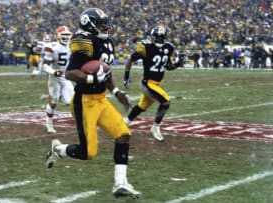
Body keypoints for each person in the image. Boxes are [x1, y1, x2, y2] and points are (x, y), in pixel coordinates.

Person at [45, 8, 141, 198]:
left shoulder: (107, 42)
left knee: (123, 134)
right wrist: (91, 80)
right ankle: (58, 149)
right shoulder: (84, 41)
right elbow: (71, 72)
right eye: (100, 23)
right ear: (89, 24)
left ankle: (120, 184)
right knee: (88, 152)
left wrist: (116, 91)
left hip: (101, 99)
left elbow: (105, 72)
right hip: (84, 102)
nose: (105, 26)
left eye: (105, 22)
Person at [123, 25, 185, 142]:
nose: (159, 40)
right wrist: (126, 76)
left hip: (157, 83)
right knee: (165, 102)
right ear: (153, 37)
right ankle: (155, 127)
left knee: (142, 106)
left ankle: (125, 122)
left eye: (161, 38)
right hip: (147, 83)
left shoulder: (169, 48)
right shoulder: (146, 47)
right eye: (157, 37)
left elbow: (168, 66)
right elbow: (131, 58)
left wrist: (177, 64)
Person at [42, 25, 74, 133]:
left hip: (66, 76)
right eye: (63, 35)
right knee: (53, 102)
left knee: (71, 101)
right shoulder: (52, 47)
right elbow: (45, 66)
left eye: (67, 35)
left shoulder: (73, 46)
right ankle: (49, 124)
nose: (65, 37)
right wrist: (54, 72)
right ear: (57, 36)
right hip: (54, 77)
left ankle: (62, 97)